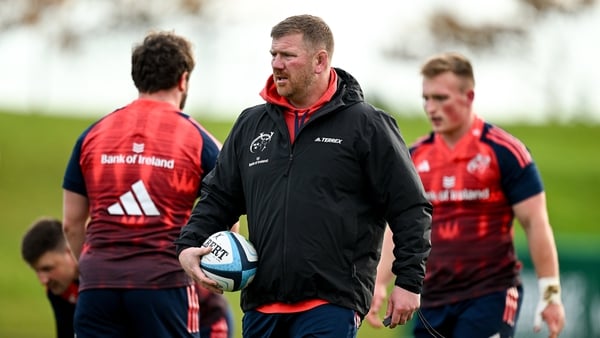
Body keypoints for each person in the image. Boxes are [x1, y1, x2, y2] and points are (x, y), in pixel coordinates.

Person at [175, 14, 433, 338]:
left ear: (319, 61)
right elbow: (219, 198)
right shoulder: (251, 124)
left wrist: (409, 282)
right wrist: (188, 245)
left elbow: (410, 207)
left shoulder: (367, 125)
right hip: (261, 306)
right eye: (273, 55)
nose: (276, 64)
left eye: (288, 56)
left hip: (331, 304)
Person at [368, 52, 565, 337]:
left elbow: (535, 223)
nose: (431, 108)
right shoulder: (413, 157)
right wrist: (380, 282)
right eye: (426, 98)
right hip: (430, 297)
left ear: (468, 96)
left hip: (489, 294)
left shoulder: (505, 152)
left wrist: (550, 294)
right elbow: (397, 226)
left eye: (441, 98)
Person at [62, 30, 232, 338]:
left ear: (137, 77)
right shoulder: (201, 141)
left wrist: (93, 271)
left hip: (98, 286)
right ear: (183, 79)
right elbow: (225, 228)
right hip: (165, 285)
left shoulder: (91, 136)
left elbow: (72, 225)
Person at [21, 217, 79, 338]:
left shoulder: (108, 279)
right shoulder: (60, 291)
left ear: (69, 252)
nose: (43, 281)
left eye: (47, 269)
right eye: (37, 271)